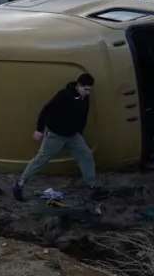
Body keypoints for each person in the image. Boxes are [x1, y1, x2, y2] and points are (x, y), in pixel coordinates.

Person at [11, 73, 99, 201]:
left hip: (73, 135)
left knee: (86, 154)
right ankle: (19, 184)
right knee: (41, 159)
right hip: (55, 134)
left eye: (90, 90)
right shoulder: (63, 95)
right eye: (85, 89)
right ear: (78, 86)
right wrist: (39, 130)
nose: (88, 93)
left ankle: (92, 187)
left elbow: (83, 116)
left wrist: (79, 133)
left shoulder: (84, 98)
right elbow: (46, 110)